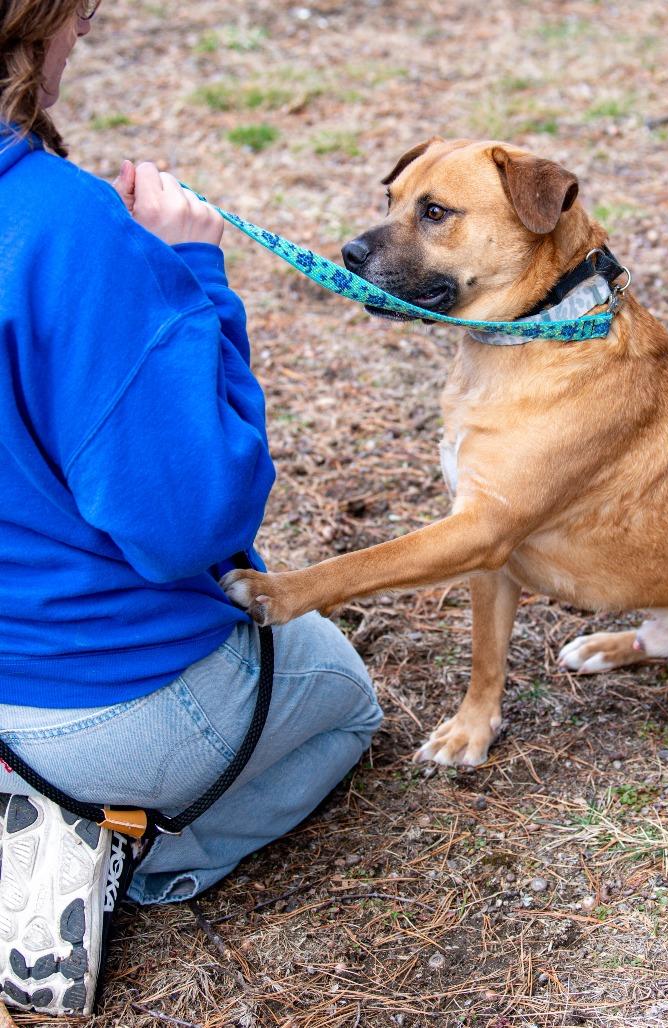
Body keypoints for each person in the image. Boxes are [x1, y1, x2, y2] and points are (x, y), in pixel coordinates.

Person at [0, 1, 382, 1016]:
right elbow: (188, 524)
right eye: (76, 11)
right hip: (99, 697)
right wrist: (190, 272)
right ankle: (121, 845)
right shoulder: (62, 226)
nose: (87, 30)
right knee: (342, 692)